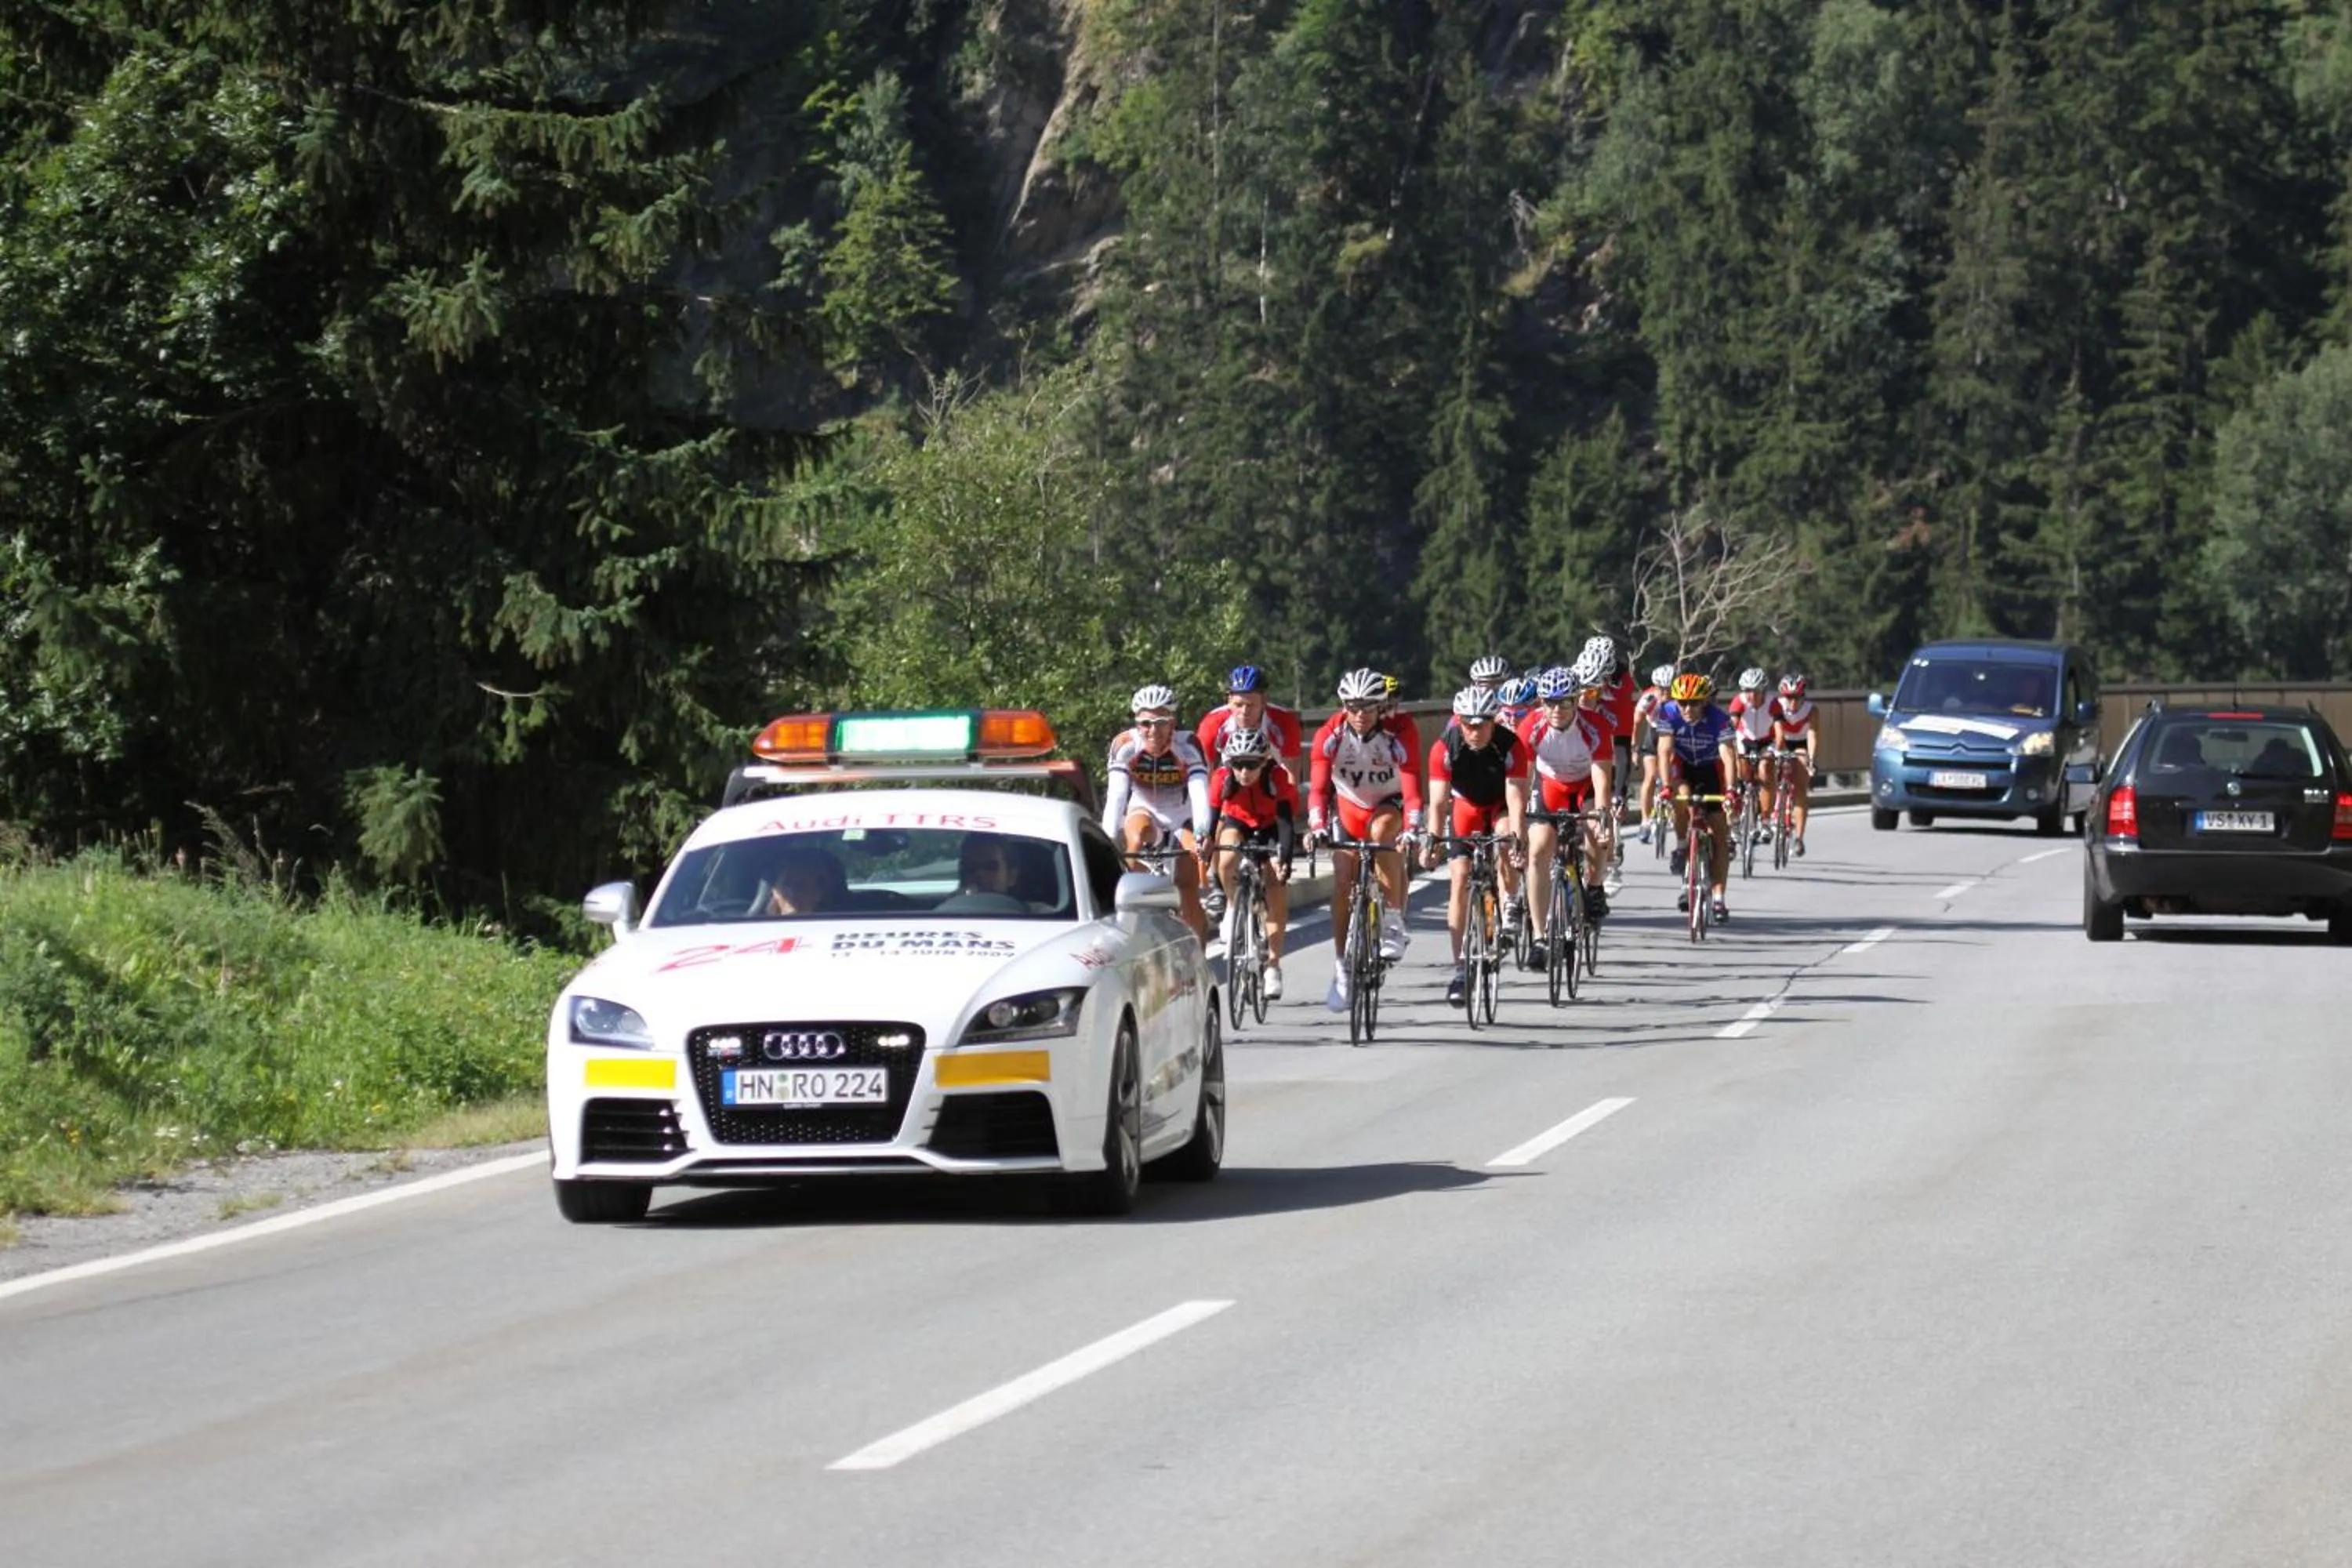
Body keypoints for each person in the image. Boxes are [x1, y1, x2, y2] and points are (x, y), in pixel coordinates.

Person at [1308, 666, 1425, 1009]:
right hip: (1349, 807)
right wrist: (1317, 828)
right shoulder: (1330, 734)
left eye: (1368, 708)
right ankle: (1342, 966)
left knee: (1383, 832)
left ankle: (1392, 919)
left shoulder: (1399, 731)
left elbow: (1413, 790)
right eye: (1353, 707)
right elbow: (1316, 790)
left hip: (1389, 803)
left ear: (1381, 707)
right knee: (1343, 881)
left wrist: (1413, 829)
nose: (1359, 715)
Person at [1423, 684, 1529, 1007]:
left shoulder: (1510, 745)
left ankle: (1509, 901)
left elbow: (1516, 798)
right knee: (1458, 880)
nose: (1475, 731)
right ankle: (1460, 969)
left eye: (1482, 723)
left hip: (1500, 806)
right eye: (1468, 724)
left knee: (1504, 835)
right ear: (1459, 721)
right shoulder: (1445, 747)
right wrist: (1432, 841)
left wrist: (1519, 839)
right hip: (1466, 808)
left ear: (1494, 721)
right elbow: (1439, 803)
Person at [1519, 658, 1615, 964]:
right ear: (1542, 703)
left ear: (1577, 702)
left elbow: (1602, 780)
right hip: (1550, 787)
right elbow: (1521, 778)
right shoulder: (1531, 727)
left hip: (1585, 786)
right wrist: (1519, 822)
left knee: (1595, 833)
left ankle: (1596, 886)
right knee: (1537, 852)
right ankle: (1539, 937)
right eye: (1550, 703)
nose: (1556, 711)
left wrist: (1602, 816)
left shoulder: (1595, 726)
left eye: (1564, 703)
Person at [1103, 683, 1214, 942]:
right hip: (1145, 810)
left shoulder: (1188, 746)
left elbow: (1200, 795)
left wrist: (1202, 833)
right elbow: (1117, 797)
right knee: (1134, 837)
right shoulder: (1125, 745)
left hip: (1181, 814)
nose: (1153, 730)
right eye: (1145, 723)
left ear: (1173, 722)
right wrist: (1108, 839)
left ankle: (1197, 953)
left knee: (1188, 887)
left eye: (1161, 722)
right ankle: (1132, 910)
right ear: (1136, 723)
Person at [1205, 725, 1299, 1000]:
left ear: (1264, 762)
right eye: (1238, 765)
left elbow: (1285, 824)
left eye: (1251, 765)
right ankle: (1233, 906)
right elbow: (1212, 820)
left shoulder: (1277, 777)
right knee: (1227, 854)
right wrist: (1206, 843)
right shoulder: (1222, 778)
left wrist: (1284, 859)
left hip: (1271, 825)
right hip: (1240, 821)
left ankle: (1273, 965)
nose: (1244, 772)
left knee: (1274, 883)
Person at [1658, 672, 1739, 923]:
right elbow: (1664, 750)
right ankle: (1683, 846)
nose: (1687, 708)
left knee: (1720, 835)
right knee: (1681, 797)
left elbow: (1728, 757)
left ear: (1705, 701)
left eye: (1693, 703)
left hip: (1711, 768)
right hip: (1683, 766)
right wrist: (1665, 787)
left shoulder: (1720, 719)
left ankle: (1718, 899)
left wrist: (1731, 791)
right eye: (1682, 703)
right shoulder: (1668, 713)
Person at [1586, 635, 1639, 895]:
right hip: (1580, 751)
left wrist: (1620, 793)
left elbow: (1622, 745)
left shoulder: (1621, 688)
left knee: (1606, 802)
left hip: (1609, 749)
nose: (1593, 690)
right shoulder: (1579, 683)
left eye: (1601, 681)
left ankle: (1610, 861)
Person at [1196, 664, 1305, 768]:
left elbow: (1291, 776)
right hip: (1231, 776)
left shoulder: (1284, 722)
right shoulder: (1212, 723)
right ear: (1229, 701)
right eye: (1238, 705)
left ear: (1264, 701)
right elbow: (1205, 772)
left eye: (1251, 705)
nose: (1244, 711)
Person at [1727, 666, 1778, 842]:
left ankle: (1765, 820)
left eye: (1756, 691)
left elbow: (1779, 729)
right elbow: (1732, 724)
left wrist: (1779, 749)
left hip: (1767, 741)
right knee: (1741, 772)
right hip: (1745, 740)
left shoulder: (1773, 702)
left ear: (1764, 691)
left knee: (1765, 770)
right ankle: (1739, 810)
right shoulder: (1739, 701)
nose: (1752, 696)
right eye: (1748, 691)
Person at [1772, 673, 1816, 856]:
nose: (1793, 702)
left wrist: (1811, 760)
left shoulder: (1811, 710)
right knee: (1768, 770)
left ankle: (1799, 837)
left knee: (1800, 788)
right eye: (1789, 697)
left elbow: (1813, 735)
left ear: (1802, 696)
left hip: (1800, 744)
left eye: (1796, 698)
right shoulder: (1777, 707)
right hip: (1780, 741)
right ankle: (1773, 808)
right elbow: (1776, 733)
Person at [1634, 662, 1676, 844]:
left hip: (1673, 737)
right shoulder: (1649, 698)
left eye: (1669, 689)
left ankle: (1675, 811)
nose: (1665, 694)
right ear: (1655, 687)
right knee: (1650, 777)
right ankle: (1645, 820)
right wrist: (1634, 747)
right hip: (1654, 735)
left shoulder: (1680, 698)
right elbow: (1636, 723)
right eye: (1661, 689)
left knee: (1673, 775)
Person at [764, 844, 845, 916]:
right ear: (775, 892)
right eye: (786, 885)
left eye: (801, 887)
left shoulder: (839, 926)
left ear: (819, 893)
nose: (792, 894)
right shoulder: (756, 926)